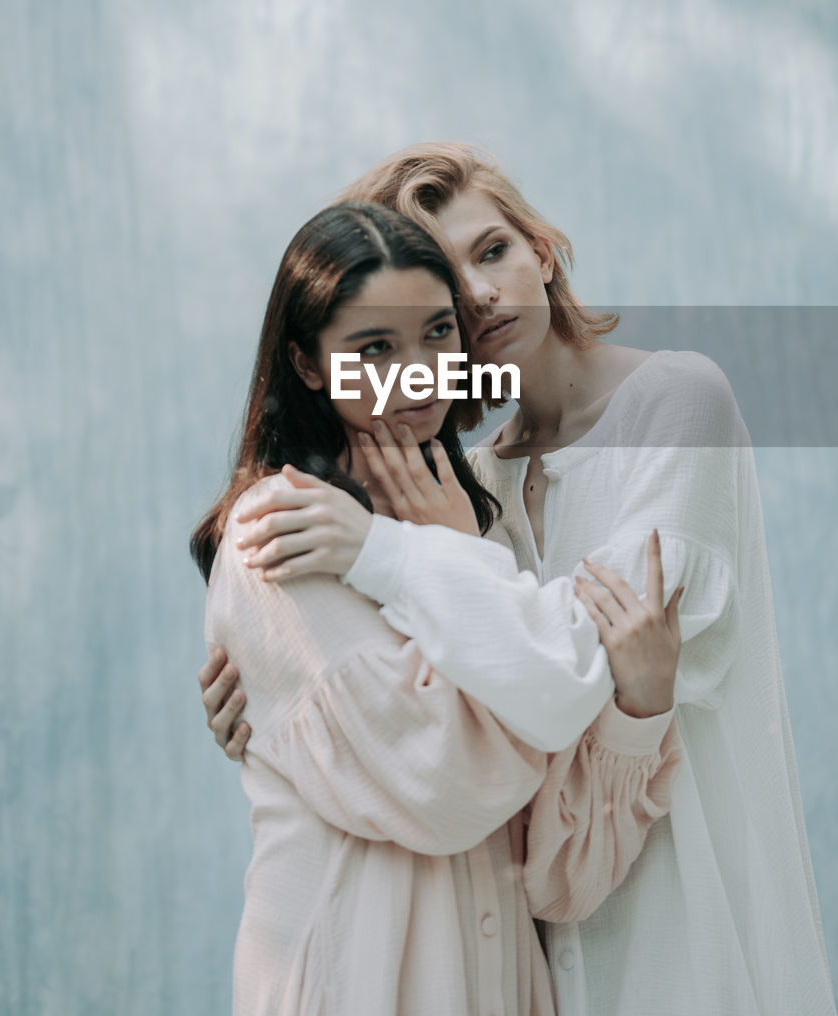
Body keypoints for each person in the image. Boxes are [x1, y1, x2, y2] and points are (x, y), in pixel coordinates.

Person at [205, 144, 836, 1016]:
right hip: (527, 951)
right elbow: (515, 711)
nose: (482, 295)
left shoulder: (676, 405)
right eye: (446, 291)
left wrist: (394, 557)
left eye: (494, 250)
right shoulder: (471, 490)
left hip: (676, 912)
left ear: (542, 249)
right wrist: (287, 708)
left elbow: (557, 673)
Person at [193, 199, 682, 1016]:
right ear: (309, 364)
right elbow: (449, 782)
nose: (418, 371)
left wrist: (636, 709)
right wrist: (547, 667)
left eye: (437, 332)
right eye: (374, 347)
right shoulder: (277, 529)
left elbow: (559, 873)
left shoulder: (466, 519)